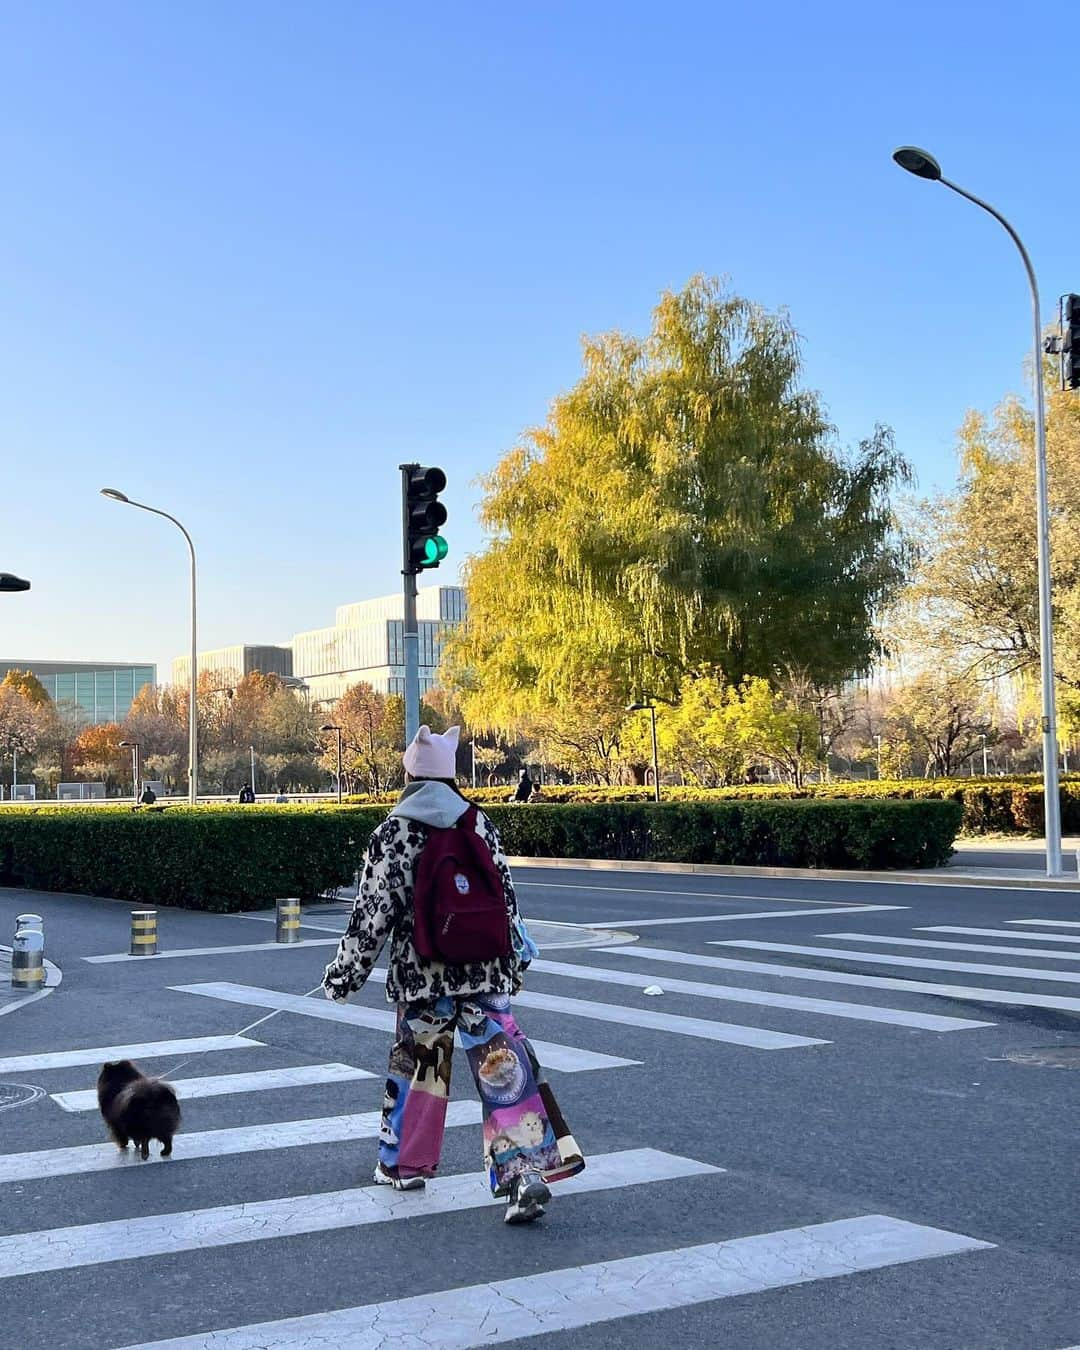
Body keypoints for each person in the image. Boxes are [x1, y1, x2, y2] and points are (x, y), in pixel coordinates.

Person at [323, 724, 583, 1224]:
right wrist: (514, 966)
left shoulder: (394, 833)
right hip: (485, 972)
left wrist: (343, 977)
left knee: (420, 1071)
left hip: (423, 976)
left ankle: (405, 1166)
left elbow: (371, 916)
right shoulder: (478, 824)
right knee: (505, 1070)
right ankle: (524, 1170)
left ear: (409, 775)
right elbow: (506, 900)